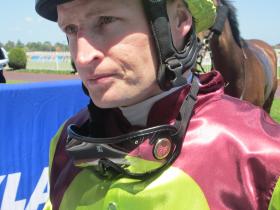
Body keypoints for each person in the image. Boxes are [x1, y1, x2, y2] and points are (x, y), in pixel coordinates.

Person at [35, 0, 280, 209]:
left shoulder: (266, 157)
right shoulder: (64, 142)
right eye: (70, 28)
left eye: (106, 20)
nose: (82, 57)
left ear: (179, 20)